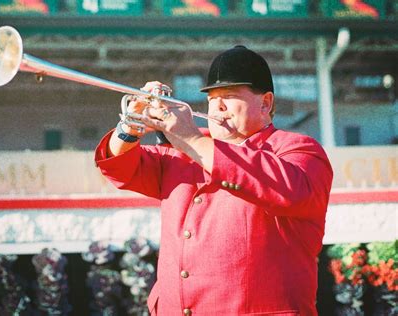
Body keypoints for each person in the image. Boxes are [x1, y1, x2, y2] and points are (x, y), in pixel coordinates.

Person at [94, 45, 333, 315]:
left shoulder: (298, 149)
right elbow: (118, 166)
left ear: (265, 103)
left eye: (229, 96)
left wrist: (191, 139)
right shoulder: (185, 152)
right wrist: (131, 125)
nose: (217, 106)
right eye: (211, 98)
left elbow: (288, 190)